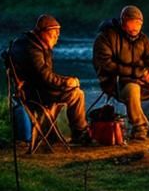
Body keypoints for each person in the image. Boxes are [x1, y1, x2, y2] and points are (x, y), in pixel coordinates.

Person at [92, 5, 149, 141]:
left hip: (142, 81)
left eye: (139, 23)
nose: (136, 27)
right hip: (118, 85)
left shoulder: (143, 39)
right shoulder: (106, 37)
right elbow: (106, 65)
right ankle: (139, 127)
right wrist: (138, 73)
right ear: (123, 21)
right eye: (132, 22)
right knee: (133, 88)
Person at [8, 14, 93, 146]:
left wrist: (66, 81)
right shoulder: (33, 49)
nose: (56, 38)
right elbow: (44, 76)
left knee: (74, 89)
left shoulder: (30, 44)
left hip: (35, 90)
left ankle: (78, 132)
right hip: (36, 94)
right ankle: (80, 133)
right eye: (54, 35)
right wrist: (66, 82)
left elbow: (45, 76)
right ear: (43, 32)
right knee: (76, 94)